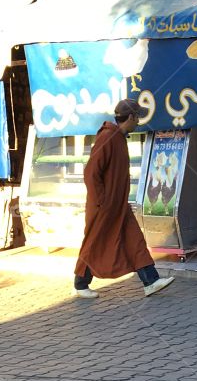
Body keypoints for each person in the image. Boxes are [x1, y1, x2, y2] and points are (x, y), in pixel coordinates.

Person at [74, 98, 174, 300]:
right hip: (104, 205)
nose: (139, 121)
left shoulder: (118, 137)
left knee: (134, 239)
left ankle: (150, 281)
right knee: (95, 241)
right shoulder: (108, 138)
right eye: (137, 116)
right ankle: (80, 283)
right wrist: (102, 201)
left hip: (118, 204)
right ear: (130, 117)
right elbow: (91, 173)